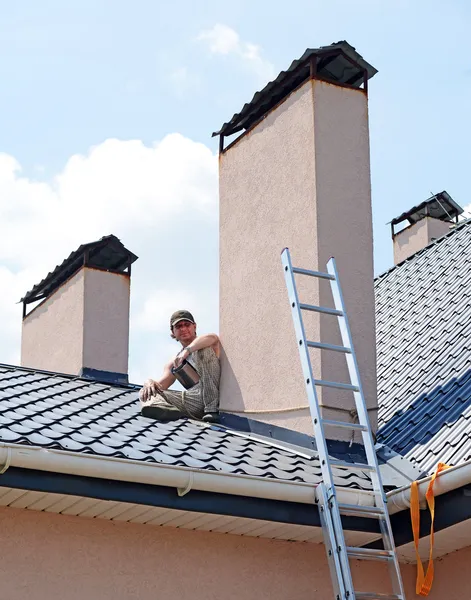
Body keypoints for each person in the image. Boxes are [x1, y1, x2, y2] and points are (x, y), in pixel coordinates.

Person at [139, 310, 220, 423]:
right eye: (178, 326)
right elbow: (160, 386)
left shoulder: (206, 343)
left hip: (215, 398)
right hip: (194, 400)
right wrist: (149, 382)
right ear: (173, 331)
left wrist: (187, 351)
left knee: (203, 351)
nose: (183, 329)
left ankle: (212, 409)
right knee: (147, 392)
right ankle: (166, 411)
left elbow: (213, 337)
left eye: (187, 325)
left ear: (194, 327)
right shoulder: (175, 361)